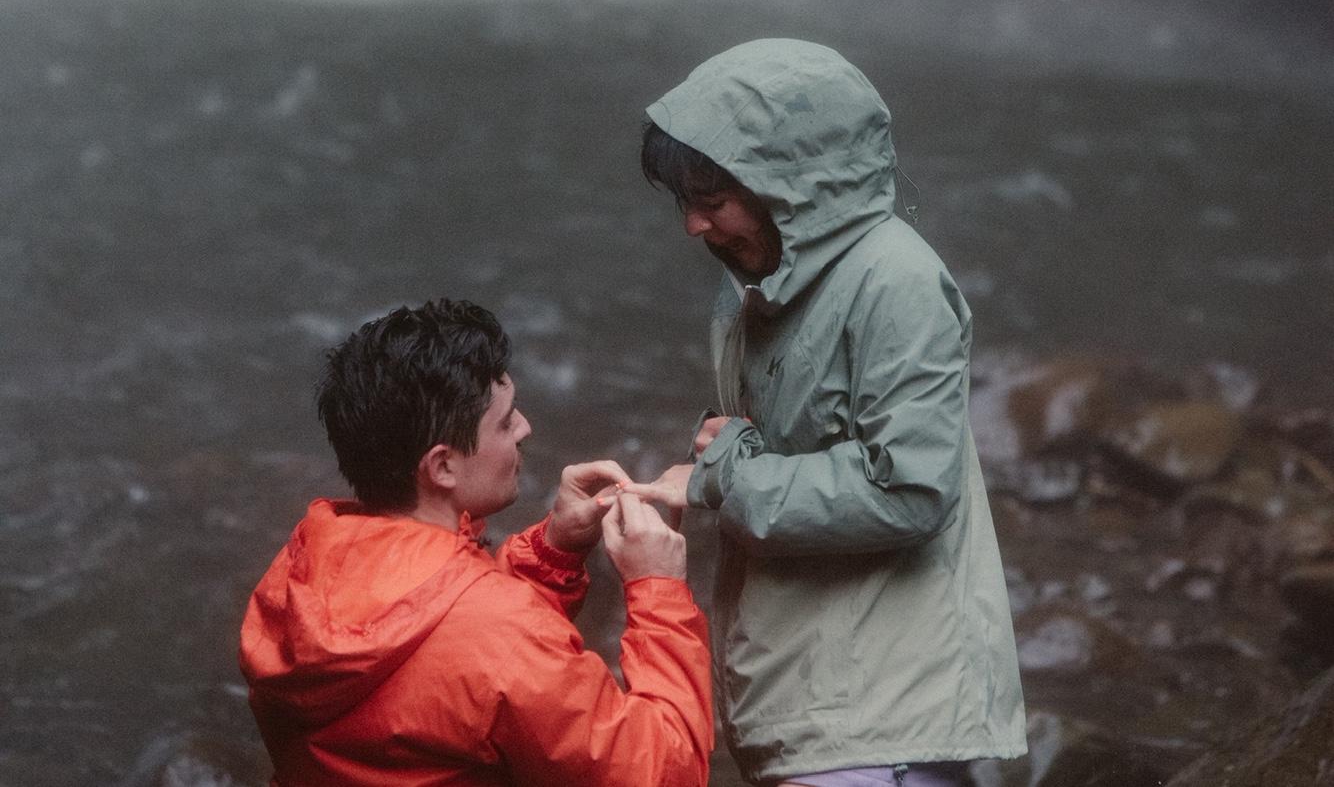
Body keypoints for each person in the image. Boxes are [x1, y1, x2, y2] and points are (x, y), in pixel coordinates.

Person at [625, 39, 1027, 787]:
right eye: (684, 202)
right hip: (810, 699)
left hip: (882, 722)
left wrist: (726, 472)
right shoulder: (759, 278)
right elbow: (761, 438)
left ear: (789, 184)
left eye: (711, 202)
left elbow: (906, 490)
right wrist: (711, 458)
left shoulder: (895, 282)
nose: (692, 226)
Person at [239, 298, 713, 787]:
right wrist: (658, 589)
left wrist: (554, 551)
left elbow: (449, 659)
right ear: (442, 466)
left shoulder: (301, 567)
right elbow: (663, 771)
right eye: (505, 421)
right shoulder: (497, 632)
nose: (525, 427)